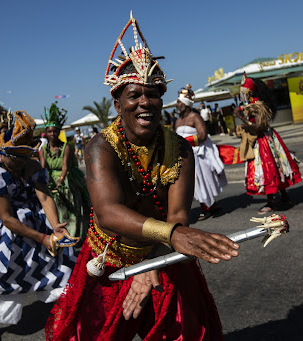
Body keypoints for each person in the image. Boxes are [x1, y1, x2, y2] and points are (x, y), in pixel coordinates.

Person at [45, 14, 239, 341]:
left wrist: (155, 262)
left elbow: (178, 214)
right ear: (117, 102)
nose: (145, 102)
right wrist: (171, 236)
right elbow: (107, 213)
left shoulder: (180, 150)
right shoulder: (100, 148)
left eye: (153, 94)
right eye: (135, 95)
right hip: (108, 258)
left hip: (165, 252)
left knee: (187, 332)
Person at [0, 111, 76, 341]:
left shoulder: (32, 166)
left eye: (24, 155)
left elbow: (45, 198)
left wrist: (55, 225)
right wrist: (42, 238)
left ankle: (62, 318)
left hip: (32, 223)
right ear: (1, 151)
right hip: (0, 231)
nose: (18, 161)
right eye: (14, 156)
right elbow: (7, 218)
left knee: (57, 266)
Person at [233, 73, 302, 213]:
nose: (242, 96)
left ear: (249, 93)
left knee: (267, 170)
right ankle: (284, 196)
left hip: (263, 141)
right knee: (276, 167)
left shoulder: (258, 106)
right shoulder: (251, 105)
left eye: (243, 93)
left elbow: (259, 126)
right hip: (264, 138)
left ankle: (271, 202)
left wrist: (240, 117)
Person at [39, 102, 91, 242]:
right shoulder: (44, 150)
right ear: (47, 133)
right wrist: (46, 182)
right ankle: (60, 235)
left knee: (72, 210)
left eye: (55, 131)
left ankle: (74, 236)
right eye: (49, 131)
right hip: (51, 181)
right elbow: (43, 167)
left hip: (66, 179)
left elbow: (65, 167)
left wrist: (61, 181)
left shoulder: (66, 147)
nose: (52, 134)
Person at [174, 84, 227, 220]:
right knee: (194, 183)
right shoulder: (178, 121)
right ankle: (211, 205)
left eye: (179, 102)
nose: (176, 104)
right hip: (185, 156)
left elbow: (203, 135)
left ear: (185, 104)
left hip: (198, 155)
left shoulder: (195, 117)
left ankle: (207, 208)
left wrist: (185, 141)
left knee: (201, 181)